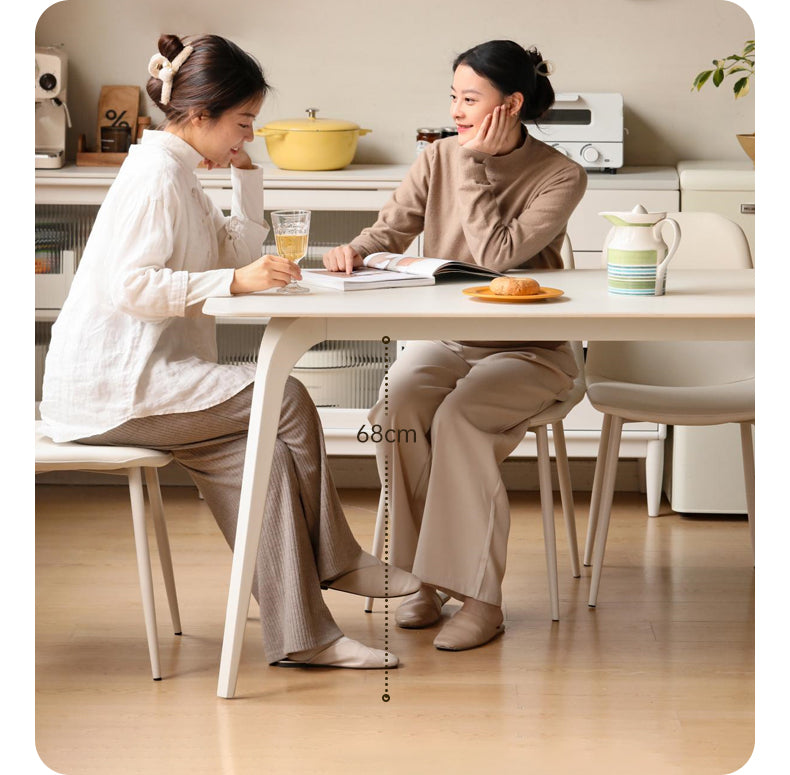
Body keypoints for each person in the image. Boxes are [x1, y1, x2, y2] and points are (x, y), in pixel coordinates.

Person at [40, 33, 420, 670]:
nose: (248, 136)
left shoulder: (180, 172)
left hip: (152, 380)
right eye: (242, 124)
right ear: (199, 114)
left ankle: (305, 636)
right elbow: (130, 286)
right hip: (118, 389)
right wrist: (234, 283)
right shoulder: (158, 178)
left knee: (265, 455)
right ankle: (339, 558)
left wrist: (245, 181)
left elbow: (233, 252)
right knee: (286, 394)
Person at [323, 40, 587, 651]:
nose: (458, 110)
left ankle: (480, 599)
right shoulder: (436, 156)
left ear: (511, 103)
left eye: (471, 98)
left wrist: (473, 164)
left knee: (462, 419)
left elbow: (497, 255)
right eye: (454, 97)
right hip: (449, 339)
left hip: (530, 350)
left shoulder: (560, 175)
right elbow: (393, 226)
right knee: (398, 407)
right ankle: (416, 579)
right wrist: (356, 250)